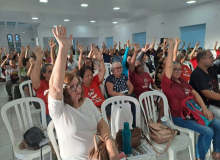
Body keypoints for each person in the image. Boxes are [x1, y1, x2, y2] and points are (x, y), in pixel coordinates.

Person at [48, 25, 118, 160]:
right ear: (63, 90)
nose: (78, 89)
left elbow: (101, 123)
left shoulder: (87, 102)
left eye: (78, 85)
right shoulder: (59, 110)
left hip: (98, 154)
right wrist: (62, 49)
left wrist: (108, 140)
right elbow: (55, 87)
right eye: (72, 87)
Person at [161, 37, 220, 160]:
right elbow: (168, 67)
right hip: (179, 117)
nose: (178, 71)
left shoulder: (182, 81)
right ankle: (200, 157)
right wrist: (171, 47)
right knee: (208, 131)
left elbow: (196, 94)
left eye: (180, 69)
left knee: (218, 125)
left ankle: (216, 152)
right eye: (175, 69)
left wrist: (204, 108)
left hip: (194, 112)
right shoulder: (167, 83)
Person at [129, 43, 164, 122]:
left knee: (163, 100)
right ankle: (149, 124)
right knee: (147, 103)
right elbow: (131, 64)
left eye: (141, 65)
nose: (141, 67)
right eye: (138, 66)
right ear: (135, 68)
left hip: (149, 93)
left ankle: (159, 121)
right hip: (139, 96)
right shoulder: (133, 74)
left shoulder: (146, 74)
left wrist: (158, 90)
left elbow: (153, 84)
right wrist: (135, 52)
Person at [190, 50, 220, 119]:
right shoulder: (197, 74)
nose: (213, 59)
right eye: (211, 57)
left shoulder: (211, 69)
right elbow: (207, 93)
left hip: (215, 102)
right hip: (206, 105)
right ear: (202, 60)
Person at [31, 46, 53, 126]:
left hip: (62, 112)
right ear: (43, 74)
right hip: (48, 115)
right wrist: (39, 59)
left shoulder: (59, 83)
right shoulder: (41, 85)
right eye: (50, 72)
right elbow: (34, 80)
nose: (53, 73)